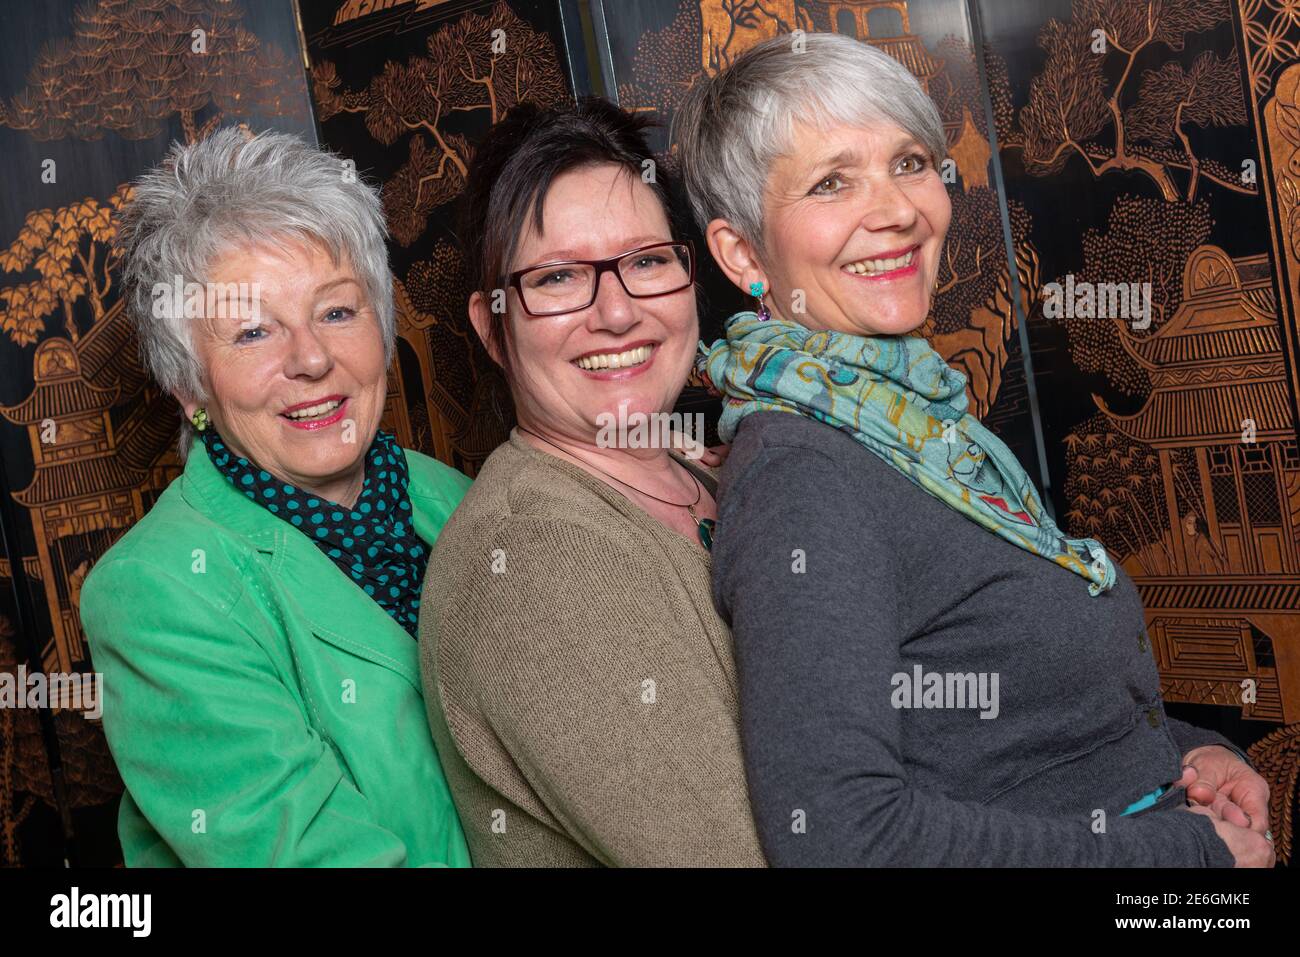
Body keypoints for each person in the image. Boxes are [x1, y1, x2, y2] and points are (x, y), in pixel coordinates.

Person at [675, 32, 1273, 867]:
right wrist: (1185, 856)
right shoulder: (803, 478)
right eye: (832, 181)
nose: (897, 209)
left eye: (911, 162)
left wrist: (1187, 751)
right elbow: (845, 840)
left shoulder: (914, 413)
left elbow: (999, 721)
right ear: (742, 252)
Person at [81, 127, 471, 867]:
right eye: (253, 331)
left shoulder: (456, 497)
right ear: (190, 384)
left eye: (335, 311)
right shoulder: (157, 593)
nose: (312, 358)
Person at [418, 98, 765, 866]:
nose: (616, 311)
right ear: (492, 326)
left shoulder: (713, 469)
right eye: (559, 276)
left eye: (647, 261)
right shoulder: (535, 562)